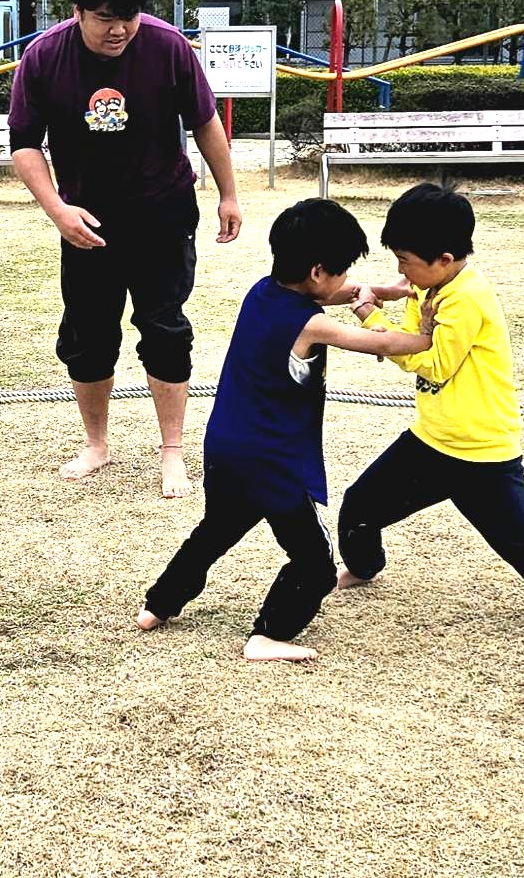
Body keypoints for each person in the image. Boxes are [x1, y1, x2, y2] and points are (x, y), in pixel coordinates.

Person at [338, 183, 524, 642]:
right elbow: (414, 331)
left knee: (521, 544)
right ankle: (364, 567)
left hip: (480, 453)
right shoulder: (432, 285)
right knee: (360, 506)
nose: (401, 271)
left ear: (444, 258)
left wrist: (372, 321)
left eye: (406, 261)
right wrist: (403, 308)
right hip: (432, 440)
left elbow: (434, 363)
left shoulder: (465, 298)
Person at [137, 199, 433, 662]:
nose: (345, 280)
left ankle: (157, 605)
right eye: (341, 270)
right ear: (316, 272)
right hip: (272, 461)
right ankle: (269, 634)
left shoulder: (263, 292)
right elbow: (379, 342)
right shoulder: (311, 324)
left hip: (227, 448)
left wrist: (384, 291)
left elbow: (333, 292)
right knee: (315, 563)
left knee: (215, 531)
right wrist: (429, 336)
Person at [8, 0, 242, 496]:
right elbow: (24, 144)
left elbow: (205, 122)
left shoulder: (167, 46)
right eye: (105, 18)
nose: (119, 30)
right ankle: (96, 443)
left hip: (163, 211)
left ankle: (172, 450)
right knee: (88, 333)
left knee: (165, 329)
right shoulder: (44, 57)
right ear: (77, 11)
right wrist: (57, 209)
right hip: (86, 220)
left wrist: (229, 194)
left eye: (129, 16)